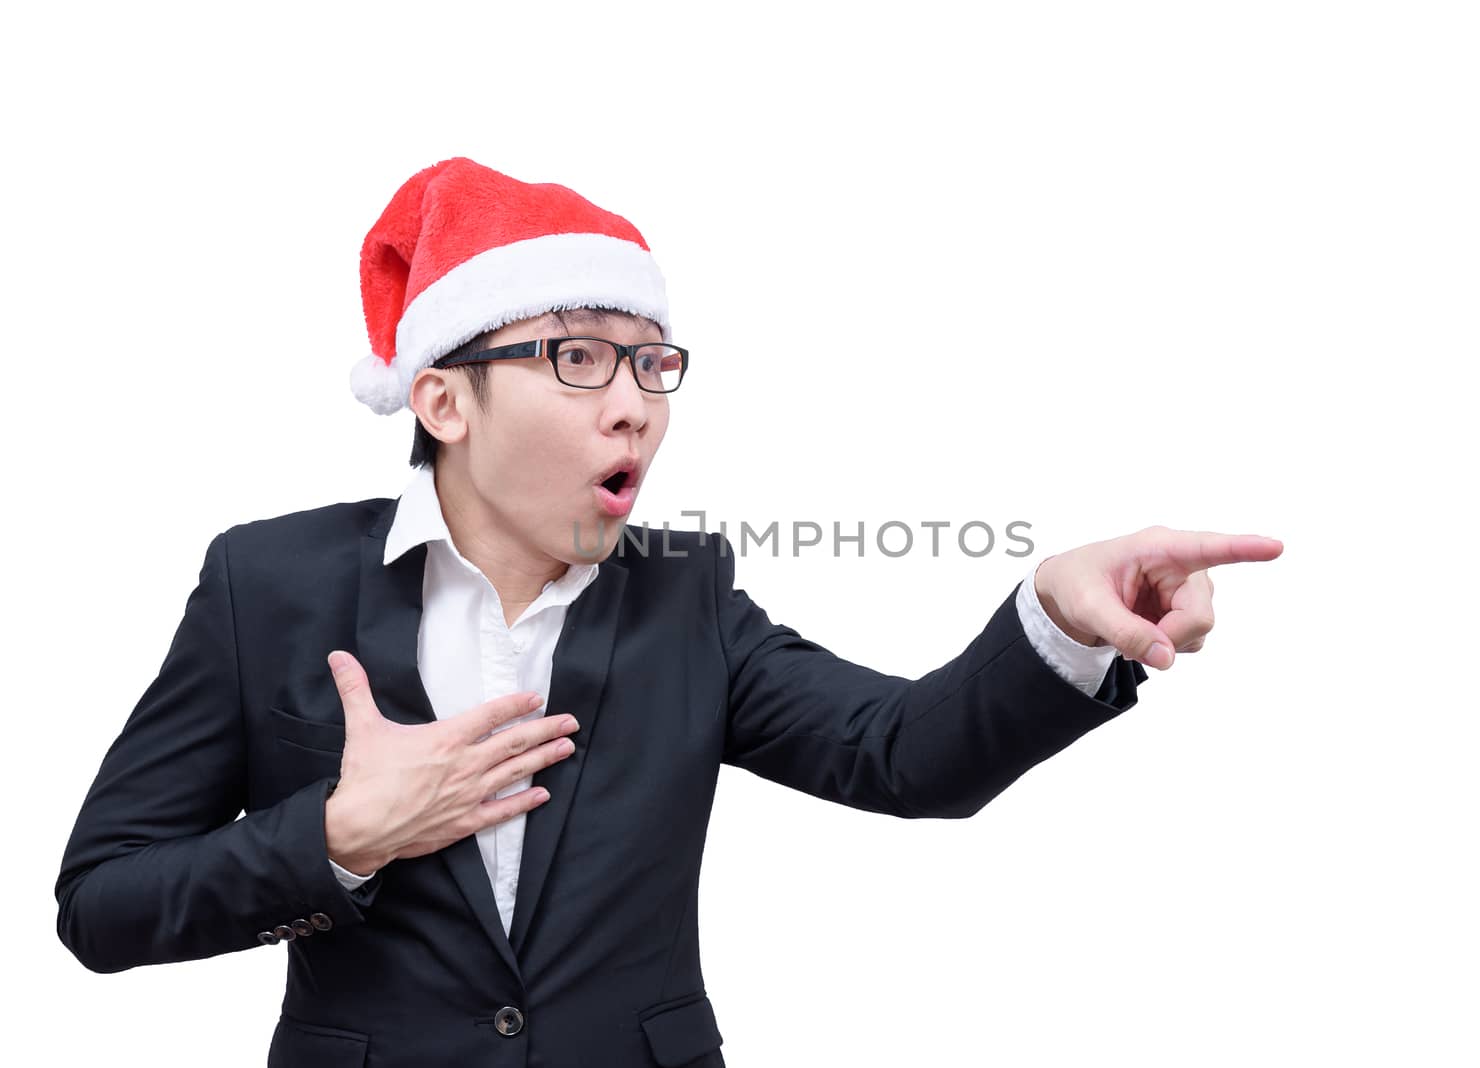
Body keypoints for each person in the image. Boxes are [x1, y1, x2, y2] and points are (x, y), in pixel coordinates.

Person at [55, 157, 1283, 1067]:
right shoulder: (263, 583)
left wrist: (1057, 621)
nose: (635, 401)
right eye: (578, 357)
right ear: (442, 400)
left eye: (654, 363)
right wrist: (340, 835)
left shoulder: (686, 597)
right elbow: (103, 906)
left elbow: (908, 756)